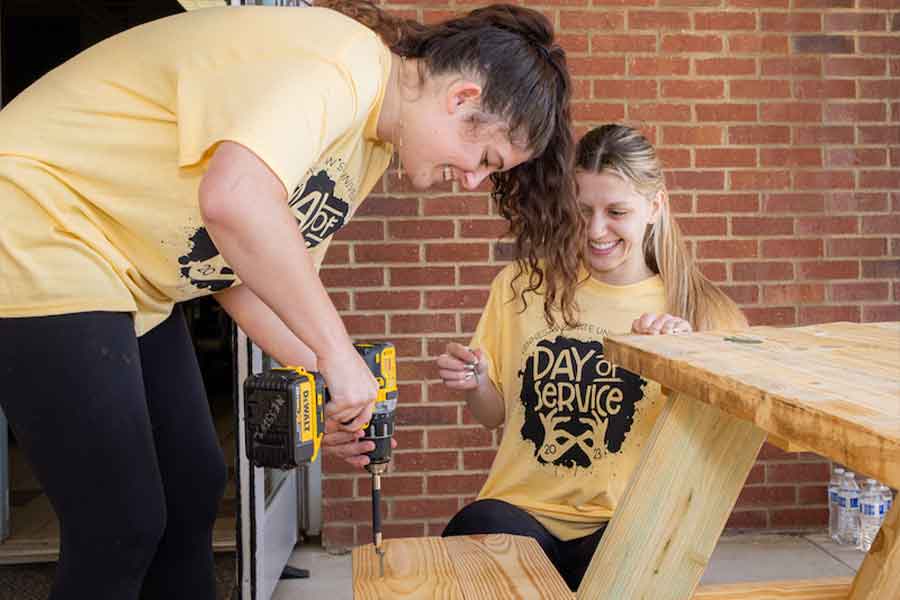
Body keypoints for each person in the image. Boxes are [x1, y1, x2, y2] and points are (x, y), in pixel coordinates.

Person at [0, 2, 582, 598]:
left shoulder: (368, 149)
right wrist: (336, 357)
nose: (473, 182)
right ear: (461, 99)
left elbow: (243, 276)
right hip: (37, 220)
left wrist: (330, 383)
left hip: (126, 275)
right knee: (119, 518)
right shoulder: (339, 62)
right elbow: (234, 198)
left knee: (194, 486)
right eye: (485, 159)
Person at [435, 124, 748, 592]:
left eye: (616, 211)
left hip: (625, 523)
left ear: (655, 207)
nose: (596, 230)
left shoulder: (704, 311)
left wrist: (683, 360)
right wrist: (476, 380)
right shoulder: (521, 287)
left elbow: (719, 448)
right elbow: (492, 415)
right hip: (521, 513)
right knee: (474, 525)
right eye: (583, 211)